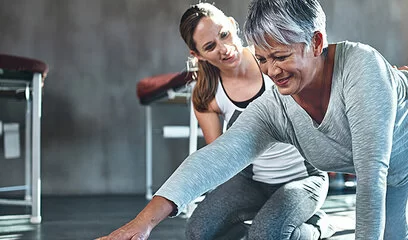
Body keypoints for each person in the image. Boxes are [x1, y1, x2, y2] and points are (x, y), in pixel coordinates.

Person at [101, 0, 408, 239]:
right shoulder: (275, 104)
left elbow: (371, 177)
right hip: (393, 158)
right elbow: (219, 155)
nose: (271, 70)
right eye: (263, 59)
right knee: (393, 234)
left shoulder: (359, 70)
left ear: (317, 41)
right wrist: (141, 224)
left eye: (282, 56)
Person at [98, 3, 334, 240]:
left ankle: (316, 225)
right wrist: (146, 222)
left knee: (267, 235)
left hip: (303, 178)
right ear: (198, 55)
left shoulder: (271, 61)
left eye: (224, 34)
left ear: (232, 24)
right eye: (210, 46)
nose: (224, 49)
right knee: (197, 232)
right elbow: (220, 160)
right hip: (252, 181)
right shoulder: (208, 96)